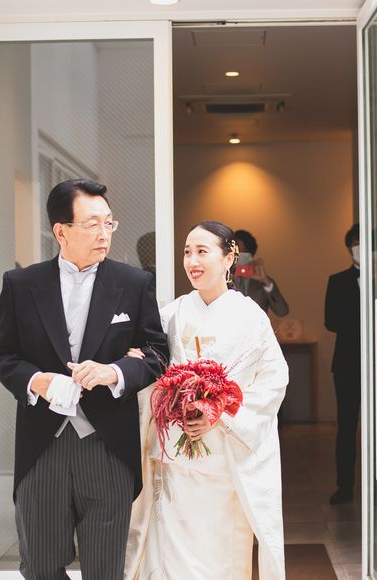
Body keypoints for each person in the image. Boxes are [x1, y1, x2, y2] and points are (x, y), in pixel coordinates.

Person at [0, 179, 169, 580]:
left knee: (105, 570)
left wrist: (114, 372)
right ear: (61, 231)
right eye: (91, 224)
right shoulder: (21, 285)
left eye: (108, 223)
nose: (104, 233)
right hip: (42, 447)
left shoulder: (134, 283)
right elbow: (0, 353)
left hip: (107, 447)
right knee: (40, 566)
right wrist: (37, 381)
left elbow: (157, 353)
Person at [125, 221, 289, 580]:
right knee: (171, 554)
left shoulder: (251, 317)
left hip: (225, 460)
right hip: (176, 461)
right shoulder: (172, 314)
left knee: (222, 556)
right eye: (187, 252)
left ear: (229, 258)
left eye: (202, 251)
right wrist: (159, 385)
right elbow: (153, 369)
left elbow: (273, 380)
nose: (192, 261)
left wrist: (219, 412)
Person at [324, 223, 361, 505]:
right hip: (348, 361)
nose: (359, 248)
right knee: (346, 426)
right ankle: (344, 485)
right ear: (349, 247)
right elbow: (331, 321)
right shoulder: (337, 281)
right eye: (355, 242)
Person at [233, 229, 289, 317]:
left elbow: (282, 311)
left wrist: (266, 282)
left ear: (250, 256)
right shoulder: (222, 279)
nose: (239, 255)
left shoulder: (262, 282)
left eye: (243, 252)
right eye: (235, 251)